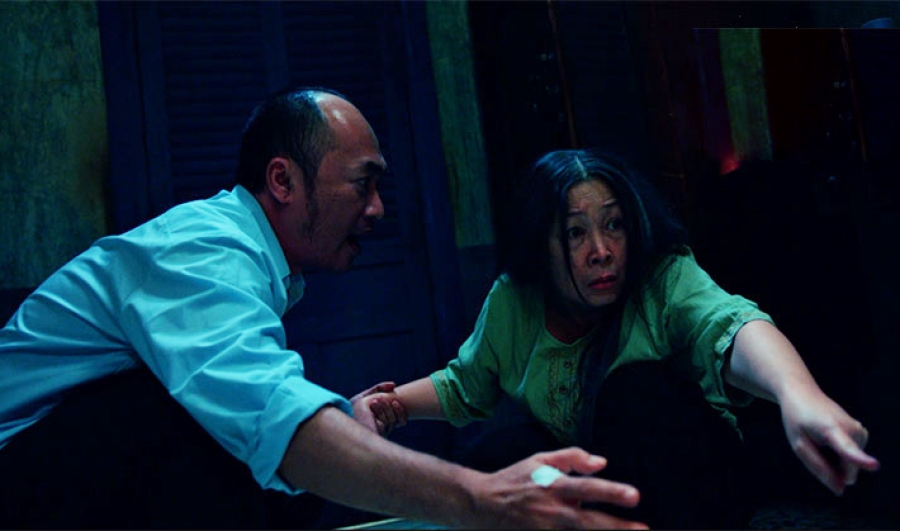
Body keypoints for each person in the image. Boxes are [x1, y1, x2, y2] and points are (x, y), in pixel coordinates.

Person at [0, 89, 649, 530]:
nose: (377, 209)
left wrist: (341, 419)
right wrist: (483, 498)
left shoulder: (245, 259)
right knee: (227, 431)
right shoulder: (204, 251)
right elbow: (273, 419)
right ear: (283, 181)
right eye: (364, 183)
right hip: (19, 471)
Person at [354, 149, 881, 529]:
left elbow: (731, 326)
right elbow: (467, 382)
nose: (601, 250)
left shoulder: (661, 277)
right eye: (576, 232)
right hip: (601, 487)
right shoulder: (516, 300)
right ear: (542, 244)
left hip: (692, 489)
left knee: (635, 393)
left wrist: (799, 396)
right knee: (500, 456)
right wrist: (390, 407)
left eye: (614, 226)